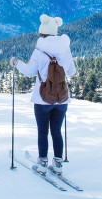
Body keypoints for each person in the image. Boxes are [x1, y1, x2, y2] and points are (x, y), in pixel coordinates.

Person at [11, 14, 76, 175]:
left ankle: (42, 163)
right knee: (56, 130)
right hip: (62, 98)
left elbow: (29, 72)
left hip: (42, 98)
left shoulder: (39, 50)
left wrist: (16, 62)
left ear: (42, 33)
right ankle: (58, 163)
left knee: (42, 131)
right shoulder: (65, 49)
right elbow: (72, 72)